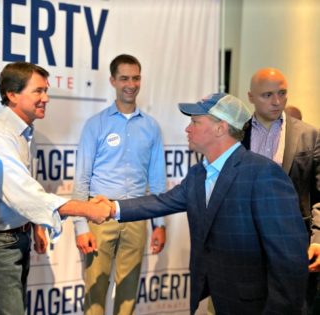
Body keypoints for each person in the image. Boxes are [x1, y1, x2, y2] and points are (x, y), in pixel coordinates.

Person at [108, 93, 309, 314]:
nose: (188, 129)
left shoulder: (264, 174)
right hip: (216, 300)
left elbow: (289, 261)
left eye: (195, 122)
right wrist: (110, 208)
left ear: (220, 128)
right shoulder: (198, 174)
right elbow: (161, 202)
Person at [0, 61, 111, 315]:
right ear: (12, 95)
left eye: (46, 91)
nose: (46, 98)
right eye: (38, 91)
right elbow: (23, 192)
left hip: (11, 238)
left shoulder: (21, 131)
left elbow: (20, 193)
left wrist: (35, 224)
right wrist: (85, 209)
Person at [72, 54, 167, 315]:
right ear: (113, 80)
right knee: (95, 290)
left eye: (135, 78)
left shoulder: (151, 127)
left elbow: (157, 179)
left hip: (136, 216)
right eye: (124, 78)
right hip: (99, 217)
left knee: (128, 295)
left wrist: (159, 224)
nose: (131, 84)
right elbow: (81, 178)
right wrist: (80, 226)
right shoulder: (96, 125)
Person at [244, 68, 320, 313]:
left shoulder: (309, 135)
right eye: (267, 95)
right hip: (247, 244)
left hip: (296, 245)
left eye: (282, 93)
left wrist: (318, 240)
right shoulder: (236, 135)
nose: (277, 101)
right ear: (251, 97)